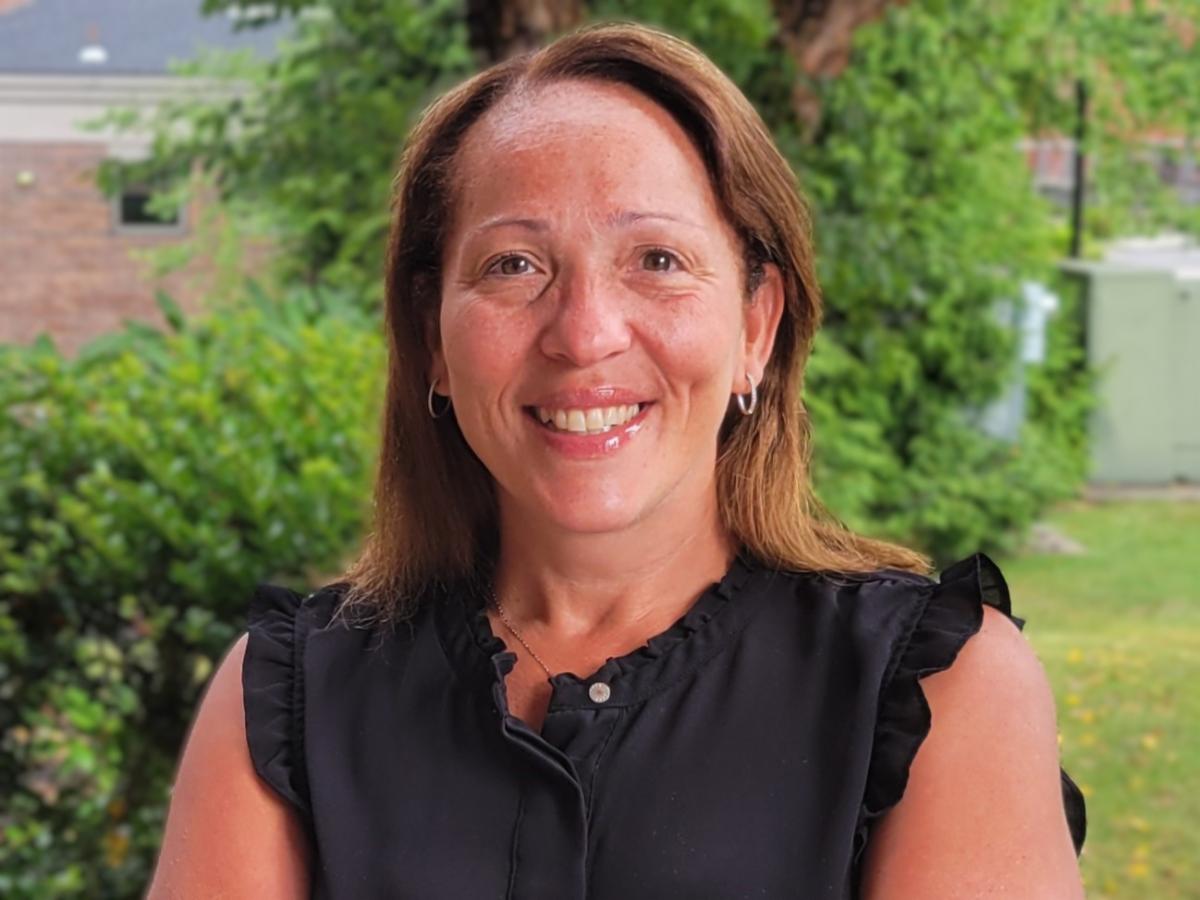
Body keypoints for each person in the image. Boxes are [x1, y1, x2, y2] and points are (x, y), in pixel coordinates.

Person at [147, 21, 1087, 899]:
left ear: (756, 327)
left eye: (658, 260)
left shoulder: (938, 689)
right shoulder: (290, 699)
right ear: (432, 338)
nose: (585, 333)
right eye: (514, 265)